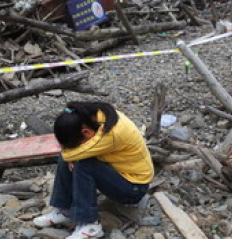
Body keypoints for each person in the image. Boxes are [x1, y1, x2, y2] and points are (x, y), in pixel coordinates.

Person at [33, 101, 154, 239]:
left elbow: (67, 154)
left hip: (133, 189)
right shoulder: (93, 118)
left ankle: (90, 224)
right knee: (69, 157)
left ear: (86, 132)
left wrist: (71, 154)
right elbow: (68, 153)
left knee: (82, 164)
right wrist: (71, 152)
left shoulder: (111, 134)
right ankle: (65, 211)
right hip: (119, 174)